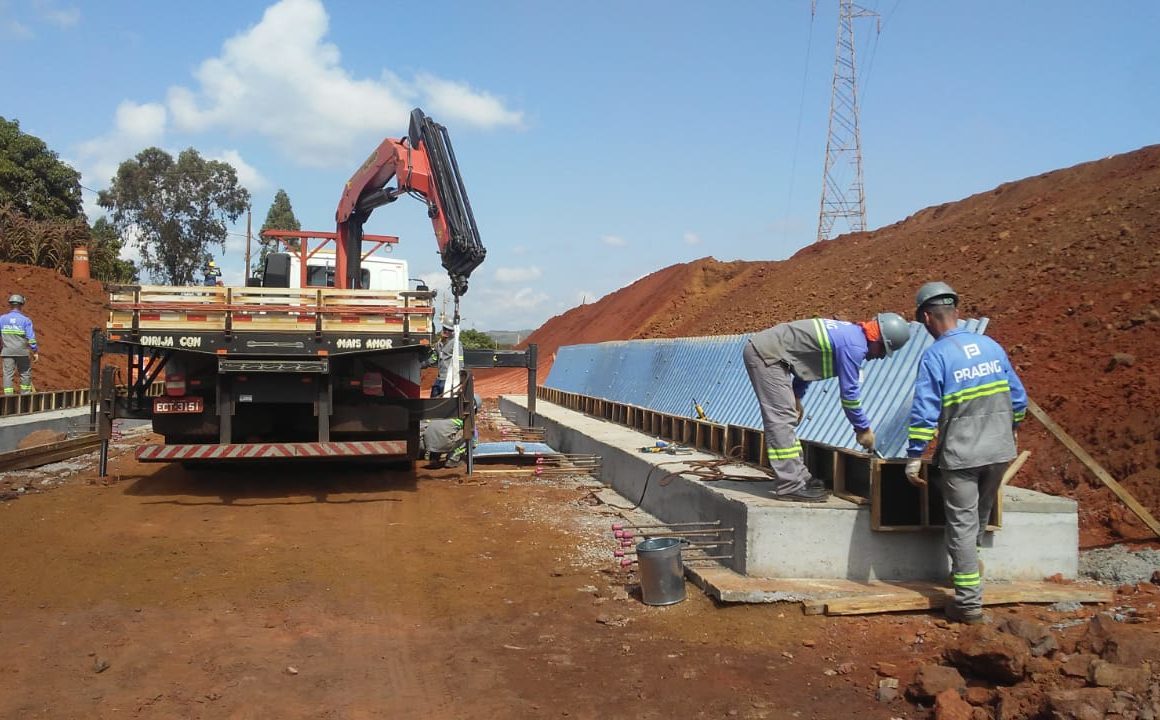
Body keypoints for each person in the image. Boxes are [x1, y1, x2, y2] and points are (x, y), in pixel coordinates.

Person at [904, 281, 1027, 625]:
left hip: (962, 456)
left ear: (927, 317)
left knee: (960, 525)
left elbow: (925, 413)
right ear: (956, 312)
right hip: (999, 452)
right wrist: (1012, 427)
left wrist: (914, 455)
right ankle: (968, 574)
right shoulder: (990, 345)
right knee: (978, 518)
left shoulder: (936, 356)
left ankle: (969, 604)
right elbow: (1018, 397)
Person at [744, 312, 911, 502]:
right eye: (883, 351)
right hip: (766, 355)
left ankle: (800, 477)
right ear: (877, 340)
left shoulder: (850, 335)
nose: (880, 357)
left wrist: (797, 395)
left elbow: (804, 363)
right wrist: (863, 428)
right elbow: (849, 396)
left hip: (776, 354)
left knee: (785, 417)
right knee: (781, 419)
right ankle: (790, 484)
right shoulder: (854, 347)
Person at [1, 294, 38, 395]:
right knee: (25, 373)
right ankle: (25, 394)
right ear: (22, 305)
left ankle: (8, 396)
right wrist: (35, 351)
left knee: (8, 375)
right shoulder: (26, 320)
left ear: (10, 304)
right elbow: (31, 338)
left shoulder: (2, 319)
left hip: (7, 351)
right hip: (22, 352)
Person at [425, 326, 457, 398]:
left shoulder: (455, 344)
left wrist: (460, 374)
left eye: (449, 330)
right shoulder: (438, 345)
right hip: (440, 378)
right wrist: (425, 363)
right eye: (444, 329)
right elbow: (434, 357)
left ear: (452, 332)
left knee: (445, 398)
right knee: (434, 396)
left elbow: (460, 360)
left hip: (449, 378)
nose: (446, 331)